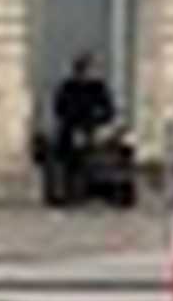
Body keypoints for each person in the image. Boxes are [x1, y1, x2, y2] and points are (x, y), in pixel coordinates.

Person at [43, 51, 124, 209]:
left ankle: (109, 189)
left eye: (89, 69)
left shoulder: (98, 87)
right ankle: (74, 190)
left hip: (94, 129)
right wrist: (77, 123)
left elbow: (109, 110)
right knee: (71, 150)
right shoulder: (68, 87)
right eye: (85, 69)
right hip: (72, 129)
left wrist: (98, 122)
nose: (88, 73)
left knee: (115, 148)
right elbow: (61, 110)